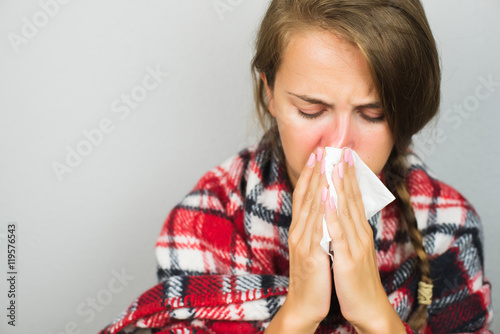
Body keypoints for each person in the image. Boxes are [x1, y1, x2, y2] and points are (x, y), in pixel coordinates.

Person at [99, 0, 493, 333]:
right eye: (312, 110)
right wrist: (300, 312)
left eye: (372, 114)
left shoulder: (447, 225)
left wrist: (374, 314)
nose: (339, 144)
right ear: (269, 92)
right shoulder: (205, 224)